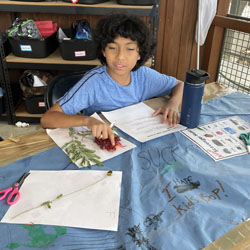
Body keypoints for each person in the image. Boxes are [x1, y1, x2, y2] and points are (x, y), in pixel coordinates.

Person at [40, 13, 184, 145]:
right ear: (103, 51)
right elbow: (47, 119)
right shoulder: (93, 83)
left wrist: (172, 103)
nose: (120, 56)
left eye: (130, 49)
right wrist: (88, 121)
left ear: (140, 53)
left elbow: (180, 85)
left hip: (135, 137)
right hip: (103, 141)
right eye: (112, 48)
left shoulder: (144, 75)